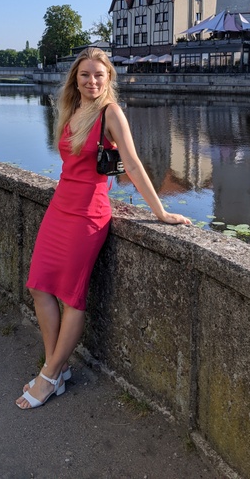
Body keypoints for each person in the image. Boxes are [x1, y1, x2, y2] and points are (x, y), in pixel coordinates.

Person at [15, 47, 190, 410]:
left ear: (109, 78)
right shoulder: (70, 109)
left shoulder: (111, 113)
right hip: (60, 207)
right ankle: (57, 367)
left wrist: (159, 211)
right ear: (75, 79)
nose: (92, 81)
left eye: (99, 75)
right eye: (85, 74)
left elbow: (133, 164)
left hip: (88, 215)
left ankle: (49, 376)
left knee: (72, 297)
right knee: (38, 286)